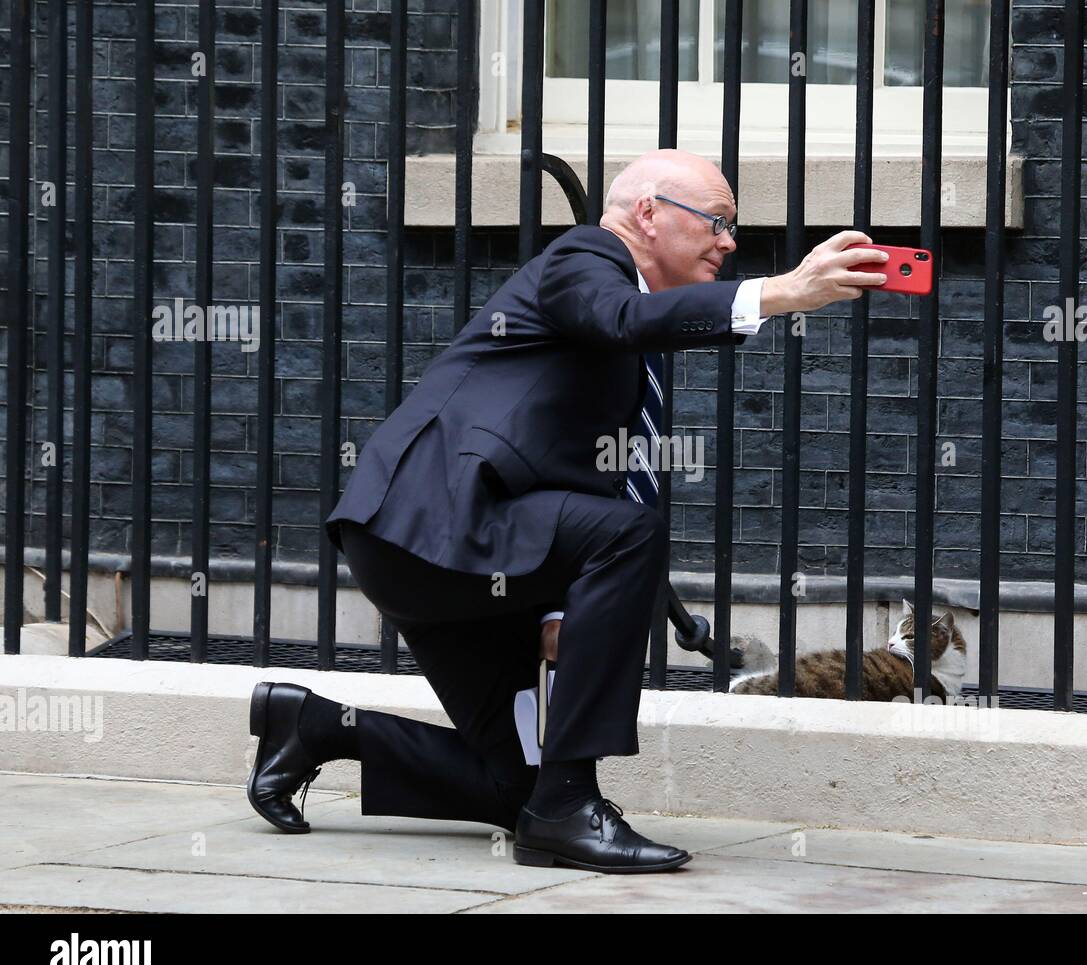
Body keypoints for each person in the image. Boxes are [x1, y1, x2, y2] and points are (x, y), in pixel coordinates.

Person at [245, 148, 890, 873]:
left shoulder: (619, 335)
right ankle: (573, 807)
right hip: (440, 525)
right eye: (717, 221)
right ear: (647, 213)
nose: (729, 242)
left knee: (515, 786)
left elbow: (575, 465)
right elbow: (619, 317)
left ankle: (313, 724)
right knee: (628, 534)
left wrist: (558, 606)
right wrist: (781, 292)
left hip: (463, 557)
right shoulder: (584, 258)